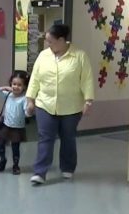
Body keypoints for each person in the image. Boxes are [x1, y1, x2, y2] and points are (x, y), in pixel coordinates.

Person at [26, 24, 94, 185]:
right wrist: (30, 99)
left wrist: (88, 101)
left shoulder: (79, 56)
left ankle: (68, 167)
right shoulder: (43, 56)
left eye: (50, 41)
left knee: (68, 138)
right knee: (45, 138)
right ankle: (40, 172)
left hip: (71, 107)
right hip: (45, 104)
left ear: (62, 40)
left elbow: (87, 79)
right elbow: (35, 78)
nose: (48, 44)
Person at [0, 70, 31, 175]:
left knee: (15, 147)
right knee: (0, 143)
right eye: (14, 84)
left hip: (17, 128)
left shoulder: (24, 99)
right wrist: (5, 88)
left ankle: (15, 165)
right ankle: (3, 159)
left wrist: (30, 109)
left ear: (24, 86)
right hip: (5, 125)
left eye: (19, 85)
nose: (16, 87)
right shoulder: (8, 95)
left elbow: (27, 114)